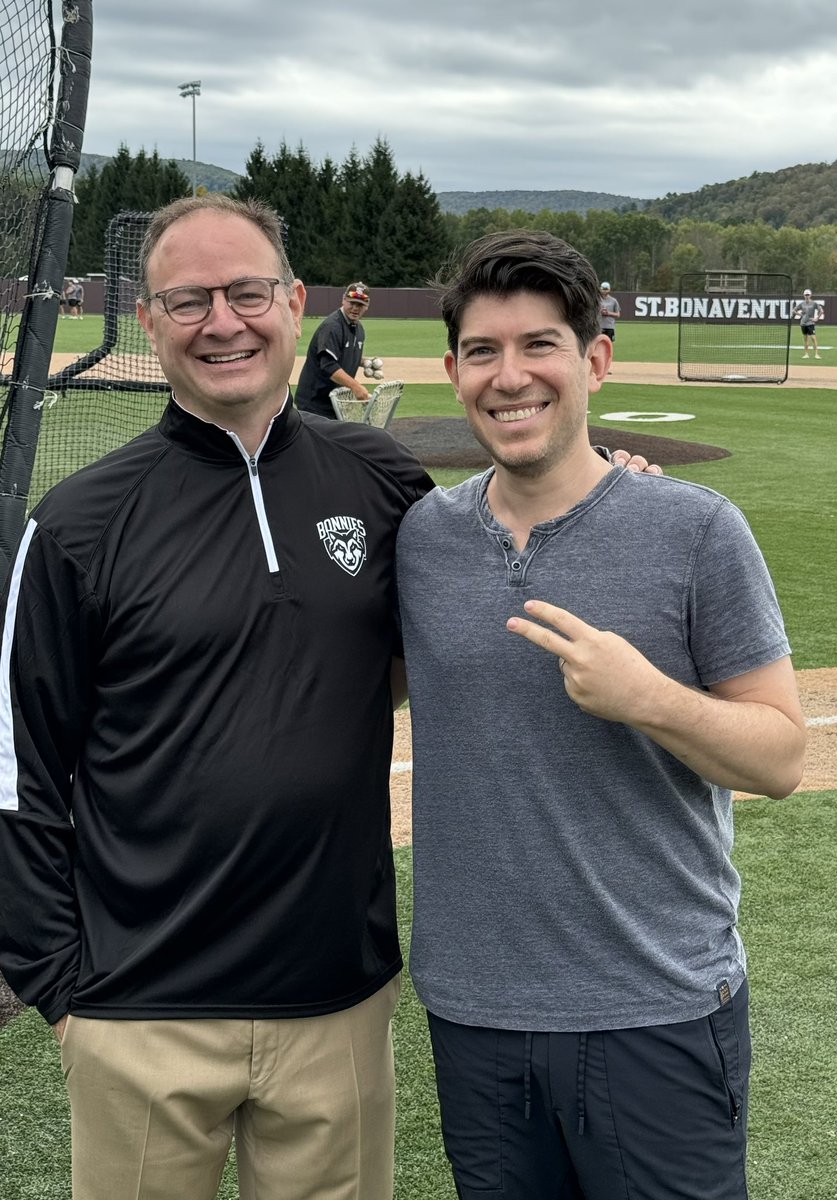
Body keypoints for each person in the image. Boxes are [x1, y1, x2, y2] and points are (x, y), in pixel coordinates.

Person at [0, 194, 435, 1200]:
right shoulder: (76, 524)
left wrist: (610, 491)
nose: (222, 321)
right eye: (187, 299)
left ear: (293, 302)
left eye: (247, 291)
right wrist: (60, 989)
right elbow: (17, 769)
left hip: (337, 1003)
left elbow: (492, 599)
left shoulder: (381, 481)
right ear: (146, 322)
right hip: (139, 1015)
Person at [396, 230, 806, 1200]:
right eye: (483, 352)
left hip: (652, 1010)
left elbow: (781, 755)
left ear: (594, 358)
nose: (510, 377)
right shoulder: (421, 539)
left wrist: (648, 699)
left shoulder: (695, 530)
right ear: (452, 371)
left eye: (539, 345)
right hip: (473, 1014)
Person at [294, 281, 373, 418]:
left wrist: (365, 362)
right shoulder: (333, 326)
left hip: (333, 402)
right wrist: (356, 387)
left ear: (367, 306)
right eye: (352, 302)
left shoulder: (358, 329)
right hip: (315, 402)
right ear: (343, 300)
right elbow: (329, 365)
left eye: (360, 305)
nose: (355, 308)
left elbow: (344, 354)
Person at [792, 287, 824, 358]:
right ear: (804, 295)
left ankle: (816, 354)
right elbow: (793, 310)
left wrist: (816, 318)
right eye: (806, 295)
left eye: (808, 295)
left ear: (810, 295)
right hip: (803, 323)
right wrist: (799, 314)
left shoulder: (814, 303)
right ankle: (806, 354)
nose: (807, 296)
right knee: (805, 339)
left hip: (810, 323)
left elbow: (821, 311)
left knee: (813, 338)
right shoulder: (802, 304)